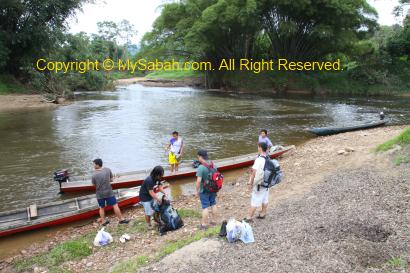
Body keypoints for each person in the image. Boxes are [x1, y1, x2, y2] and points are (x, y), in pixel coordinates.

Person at [91, 158, 129, 225]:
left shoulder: (94, 174)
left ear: (97, 165)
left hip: (100, 194)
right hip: (109, 192)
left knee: (101, 208)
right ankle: (121, 219)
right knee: (115, 205)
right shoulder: (107, 170)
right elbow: (111, 180)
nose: (93, 165)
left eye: (93, 164)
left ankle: (103, 222)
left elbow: (93, 184)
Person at [246, 142, 270, 222]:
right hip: (266, 182)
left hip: (260, 183)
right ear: (266, 149)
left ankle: (249, 217)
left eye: (258, 146)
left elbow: (254, 172)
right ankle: (263, 214)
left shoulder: (259, 159)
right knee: (265, 198)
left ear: (260, 148)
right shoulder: (268, 157)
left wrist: (250, 183)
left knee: (255, 199)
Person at [196, 149, 217, 230]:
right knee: (213, 204)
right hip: (213, 188)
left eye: (198, 157)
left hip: (204, 190)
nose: (198, 159)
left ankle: (204, 224)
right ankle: (214, 221)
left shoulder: (201, 167)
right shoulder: (213, 164)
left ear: (201, 157)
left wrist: (197, 191)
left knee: (205, 207)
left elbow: (198, 181)